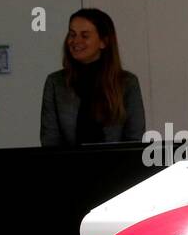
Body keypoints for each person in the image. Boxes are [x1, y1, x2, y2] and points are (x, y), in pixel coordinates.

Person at [40, 8, 145, 146]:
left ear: (103, 42)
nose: (75, 41)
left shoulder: (127, 83)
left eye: (84, 36)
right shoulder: (55, 82)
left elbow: (134, 138)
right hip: (66, 166)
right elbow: (50, 141)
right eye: (72, 34)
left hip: (117, 165)